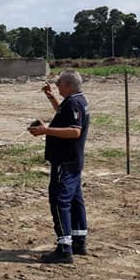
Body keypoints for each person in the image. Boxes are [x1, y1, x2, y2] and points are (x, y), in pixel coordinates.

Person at [28, 70, 90, 264]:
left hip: (65, 161)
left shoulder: (74, 103)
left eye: (59, 83)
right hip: (73, 160)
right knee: (74, 200)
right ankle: (79, 240)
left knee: (59, 200)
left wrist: (46, 130)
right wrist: (51, 97)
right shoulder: (76, 100)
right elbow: (63, 115)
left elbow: (74, 131)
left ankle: (64, 248)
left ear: (68, 85)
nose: (56, 85)